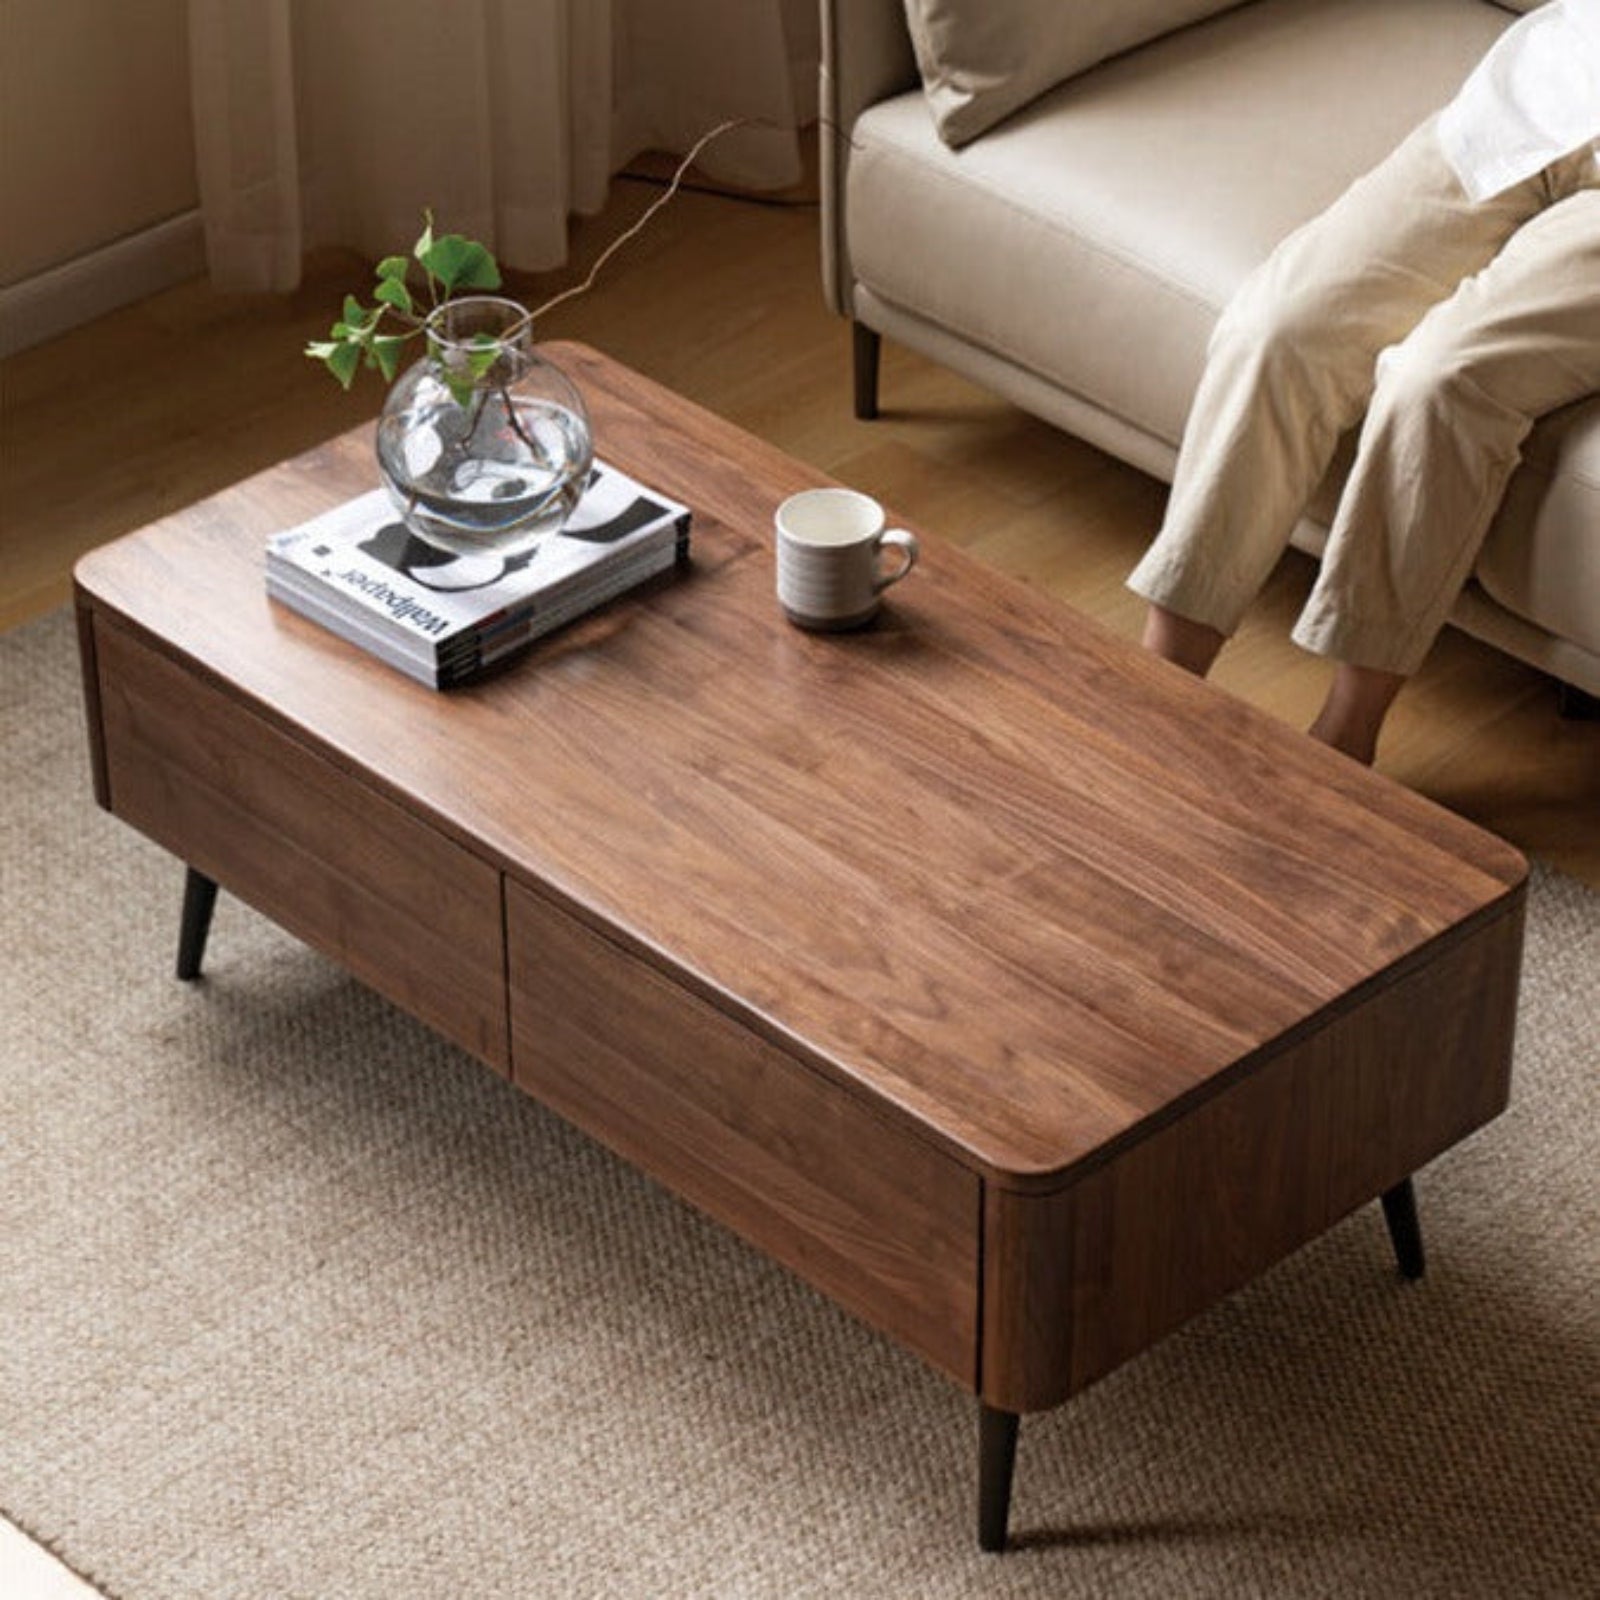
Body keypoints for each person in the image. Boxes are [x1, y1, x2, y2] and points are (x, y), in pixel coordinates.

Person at [1127, 0, 1600, 764]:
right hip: (1546, 90)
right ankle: (1160, 675)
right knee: (1279, 327)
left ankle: (1346, 741)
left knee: (1435, 381)